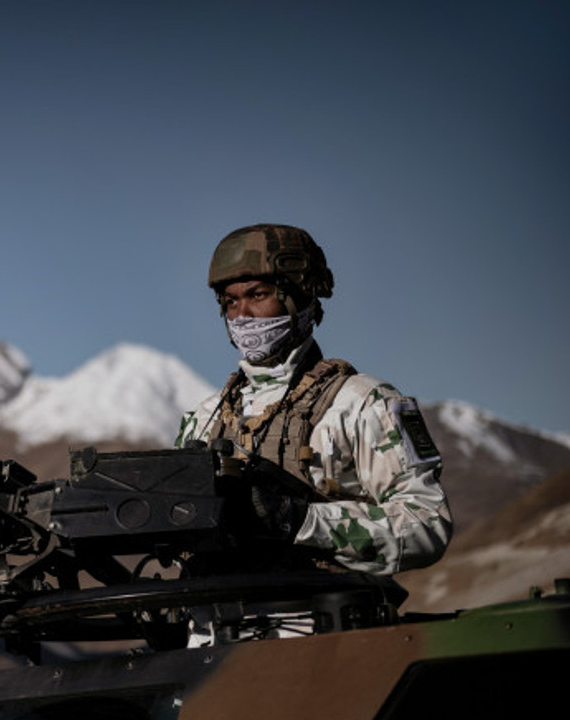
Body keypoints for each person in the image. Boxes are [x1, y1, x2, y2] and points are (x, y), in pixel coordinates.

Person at [175, 223, 452, 579]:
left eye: (258, 295)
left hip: (315, 622)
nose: (242, 315)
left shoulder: (362, 402)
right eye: (230, 301)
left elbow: (427, 524)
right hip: (214, 628)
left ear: (301, 297)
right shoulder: (203, 418)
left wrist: (302, 520)